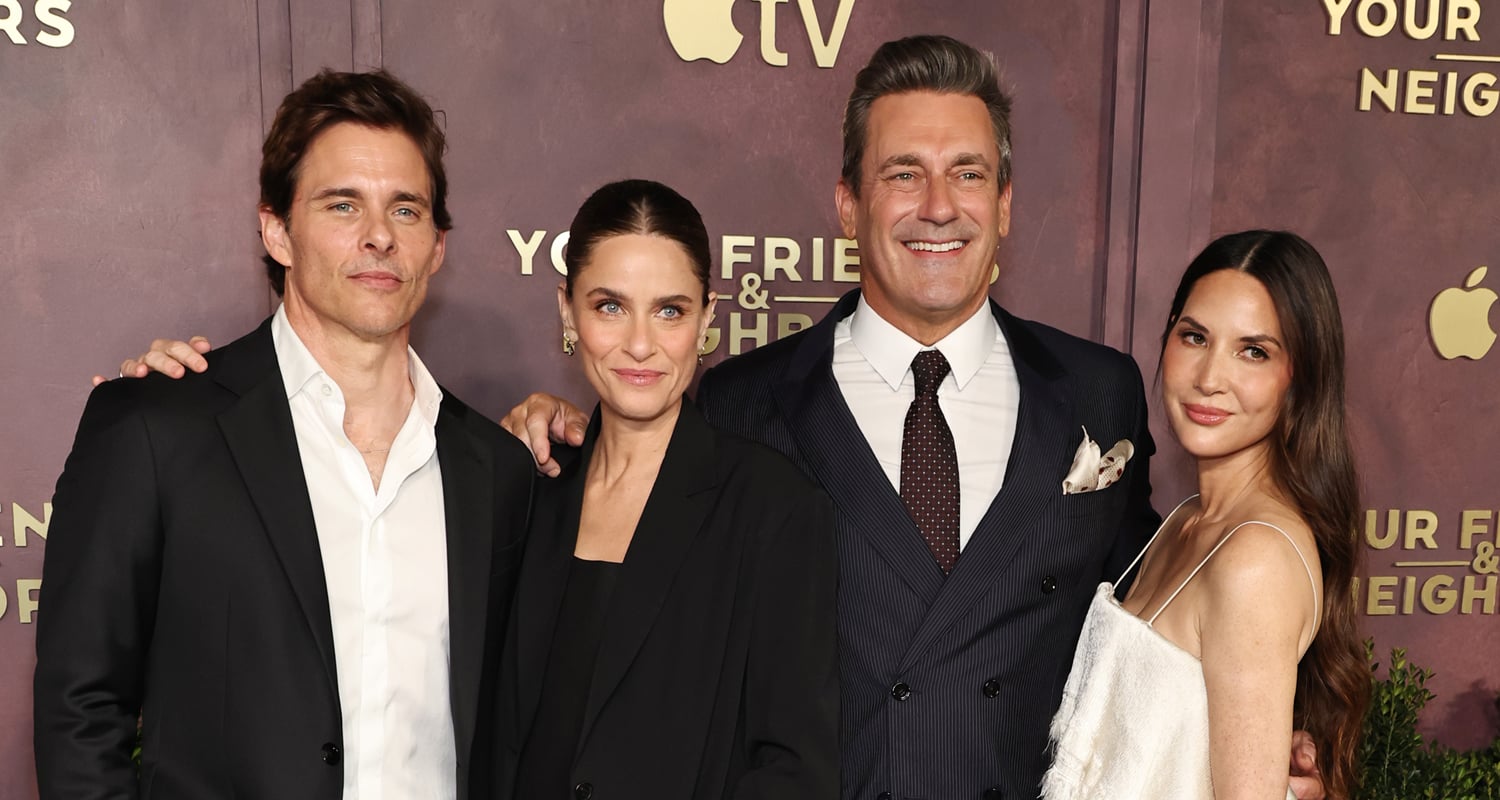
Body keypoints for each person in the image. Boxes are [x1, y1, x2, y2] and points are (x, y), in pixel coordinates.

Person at [112, 35, 1328, 800]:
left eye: (968, 173)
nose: (937, 204)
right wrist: (212, 393)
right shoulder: (739, 407)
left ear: (1008, 203)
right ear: (847, 201)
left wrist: (1276, 732)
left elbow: (1159, 597)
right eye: (902, 173)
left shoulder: (1100, 392)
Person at [35, 70, 536, 800]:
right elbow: (82, 711)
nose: (379, 236)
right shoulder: (156, 428)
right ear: (278, 232)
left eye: (406, 209)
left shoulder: (496, 469)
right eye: (343, 205)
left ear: (436, 246)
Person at [493, 179, 839, 798]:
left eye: (669, 311)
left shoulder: (772, 509)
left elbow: (795, 770)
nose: (640, 344)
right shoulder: (528, 487)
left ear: (707, 317)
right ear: (567, 311)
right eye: (610, 306)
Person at [1042, 230, 1368, 800]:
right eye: (1195, 337)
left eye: (1253, 351)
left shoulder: (1255, 559)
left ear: (1300, 377)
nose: (1209, 378)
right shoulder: (1187, 519)